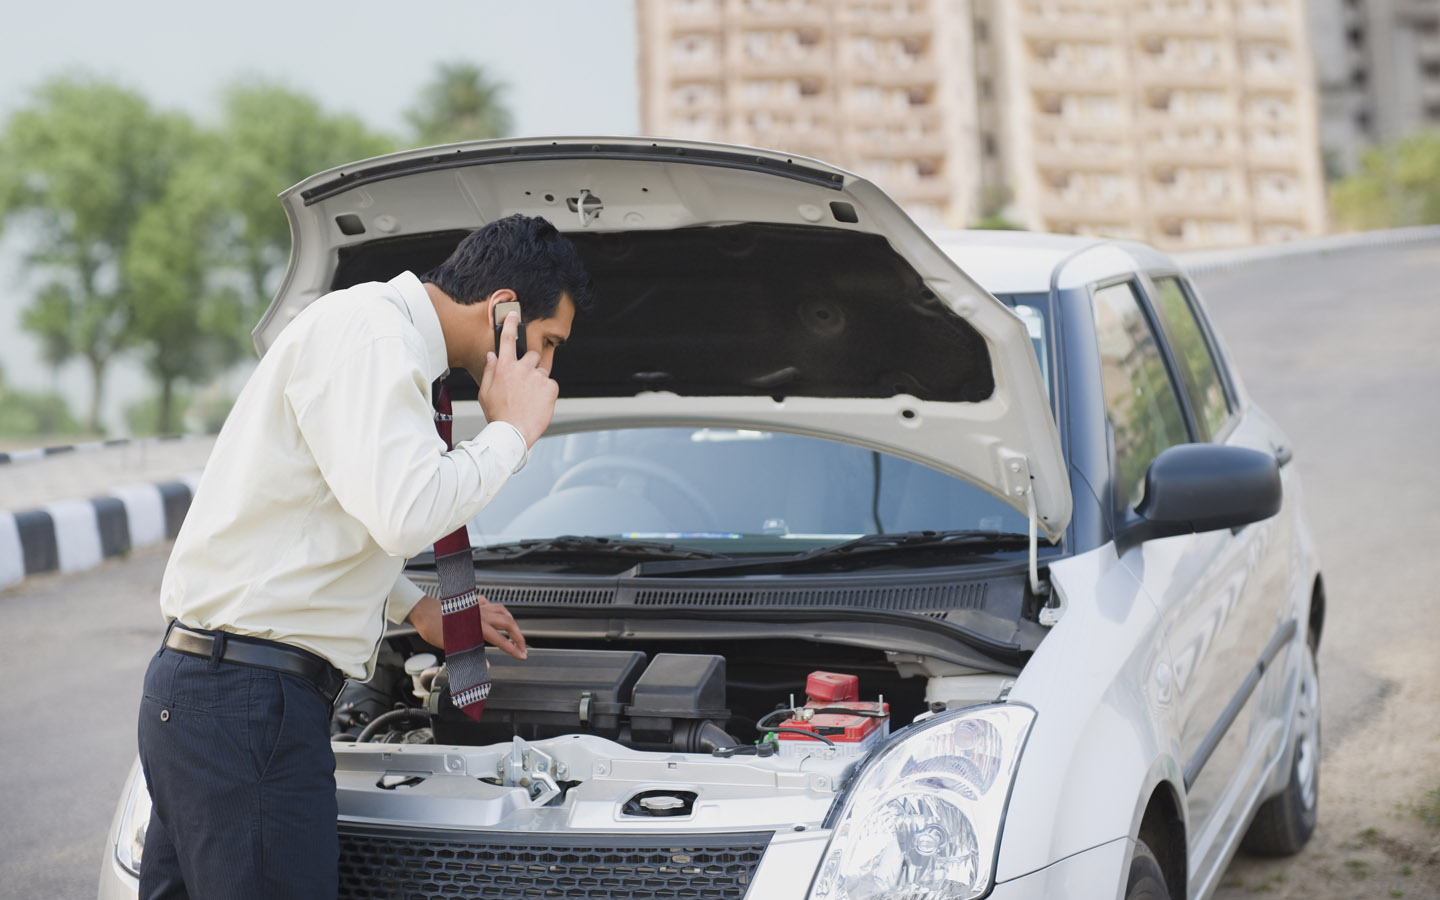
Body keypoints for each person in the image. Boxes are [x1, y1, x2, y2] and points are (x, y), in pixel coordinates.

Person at [134, 214, 595, 900]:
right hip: (248, 706)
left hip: (212, 695)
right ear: (503, 310)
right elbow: (405, 511)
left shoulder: (371, 332)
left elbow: (325, 511)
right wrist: (511, 433)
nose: (547, 368)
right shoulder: (376, 337)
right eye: (547, 342)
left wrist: (416, 605)